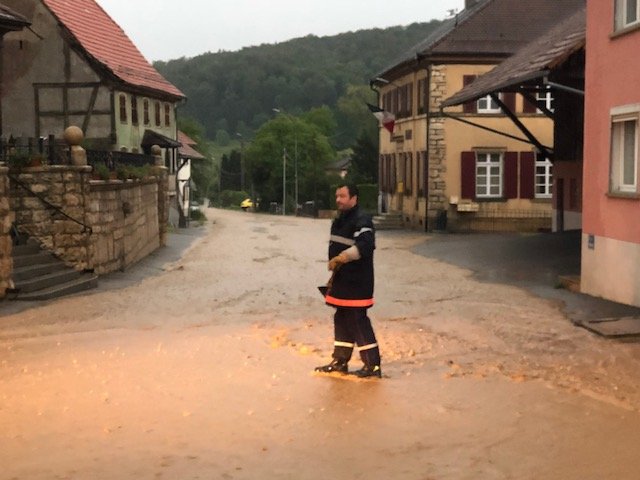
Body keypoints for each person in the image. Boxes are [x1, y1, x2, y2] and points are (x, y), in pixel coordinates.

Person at [315, 183, 382, 378]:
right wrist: (333, 275)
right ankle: (340, 361)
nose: (338, 200)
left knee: (357, 320)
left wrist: (343, 257)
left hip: (357, 282)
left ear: (354, 198)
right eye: (337, 196)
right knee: (341, 318)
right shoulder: (339, 220)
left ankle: (372, 366)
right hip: (341, 280)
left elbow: (366, 245)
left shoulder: (362, 220)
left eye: (342, 196)